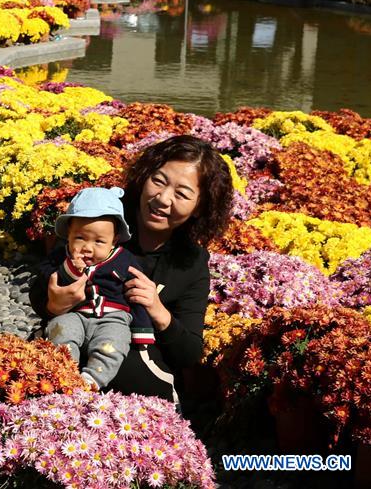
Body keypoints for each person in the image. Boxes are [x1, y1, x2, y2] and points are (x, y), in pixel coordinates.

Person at [30, 135, 232, 405]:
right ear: (144, 176)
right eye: (158, 181)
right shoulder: (103, 218)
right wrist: (53, 304)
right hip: (70, 344)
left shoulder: (191, 262)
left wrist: (159, 312)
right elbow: (42, 285)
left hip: (136, 372)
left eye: (182, 194)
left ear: (199, 208)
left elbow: (188, 353)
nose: (162, 198)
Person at [45, 186, 153, 391]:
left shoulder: (125, 261)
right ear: (68, 233)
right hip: (73, 313)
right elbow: (45, 278)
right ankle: (64, 376)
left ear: (114, 240)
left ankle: (91, 381)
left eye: (99, 241)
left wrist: (142, 330)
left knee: (113, 344)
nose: (87, 247)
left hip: (113, 316)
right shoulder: (60, 256)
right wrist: (70, 269)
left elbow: (137, 295)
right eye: (80, 238)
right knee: (60, 332)